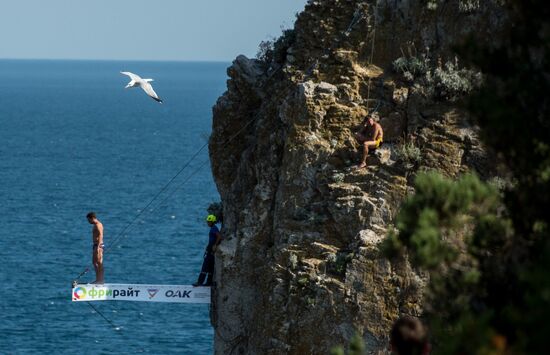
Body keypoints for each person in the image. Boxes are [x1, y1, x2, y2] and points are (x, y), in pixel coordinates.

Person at [193, 214, 222, 287]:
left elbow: (219, 236)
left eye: (209, 222)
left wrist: (215, 245)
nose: (207, 223)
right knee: (210, 268)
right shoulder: (214, 228)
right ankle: (208, 282)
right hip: (211, 251)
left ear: (212, 222)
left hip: (210, 251)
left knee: (205, 266)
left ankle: (200, 282)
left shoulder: (214, 229)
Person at [86, 212, 104, 284]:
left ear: (92, 218)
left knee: (99, 263)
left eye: (89, 220)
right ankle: (98, 279)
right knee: (95, 262)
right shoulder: (96, 225)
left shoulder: (98, 225)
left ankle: (100, 280)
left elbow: (100, 235)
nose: (88, 222)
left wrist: (98, 247)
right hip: (96, 245)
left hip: (98, 245)